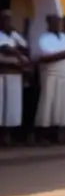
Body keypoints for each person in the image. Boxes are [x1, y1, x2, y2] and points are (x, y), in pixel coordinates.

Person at [35, 14, 65, 144]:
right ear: (49, 23)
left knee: (64, 104)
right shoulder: (44, 38)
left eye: (60, 22)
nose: (58, 25)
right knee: (48, 103)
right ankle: (43, 135)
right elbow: (45, 57)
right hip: (51, 73)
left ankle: (62, 134)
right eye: (55, 22)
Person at [0, 10, 29, 145]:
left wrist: (16, 33)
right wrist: (19, 55)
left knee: (12, 106)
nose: (8, 22)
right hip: (2, 72)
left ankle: (8, 136)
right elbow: (5, 49)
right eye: (5, 19)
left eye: (9, 20)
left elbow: (25, 46)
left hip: (14, 73)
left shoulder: (13, 35)